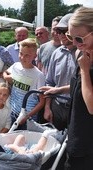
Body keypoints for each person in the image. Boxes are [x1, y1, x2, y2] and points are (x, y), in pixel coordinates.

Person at [63, 7, 93, 170]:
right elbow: (81, 89)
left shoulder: (85, 64)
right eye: (70, 36)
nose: (74, 43)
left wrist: (85, 71)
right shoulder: (84, 56)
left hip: (88, 147)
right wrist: (59, 90)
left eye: (79, 39)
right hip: (76, 137)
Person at [39, 13, 77, 131]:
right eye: (58, 31)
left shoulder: (85, 54)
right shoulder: (56, 53)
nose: (60, 34)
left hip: (77, 109)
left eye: (64, 30)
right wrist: (47, 108)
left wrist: (59, 90)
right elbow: (50, 82)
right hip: (57, 107)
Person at [3, 38, 45, 130]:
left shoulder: (38, 75)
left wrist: (27, 116)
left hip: (28, 117)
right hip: (13, 112)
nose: (22, 57)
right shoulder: (15, 66)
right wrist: (6, 77)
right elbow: (5, 72)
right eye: (21, 54)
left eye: (27, 55)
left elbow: (41, 102)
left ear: (34, 56)